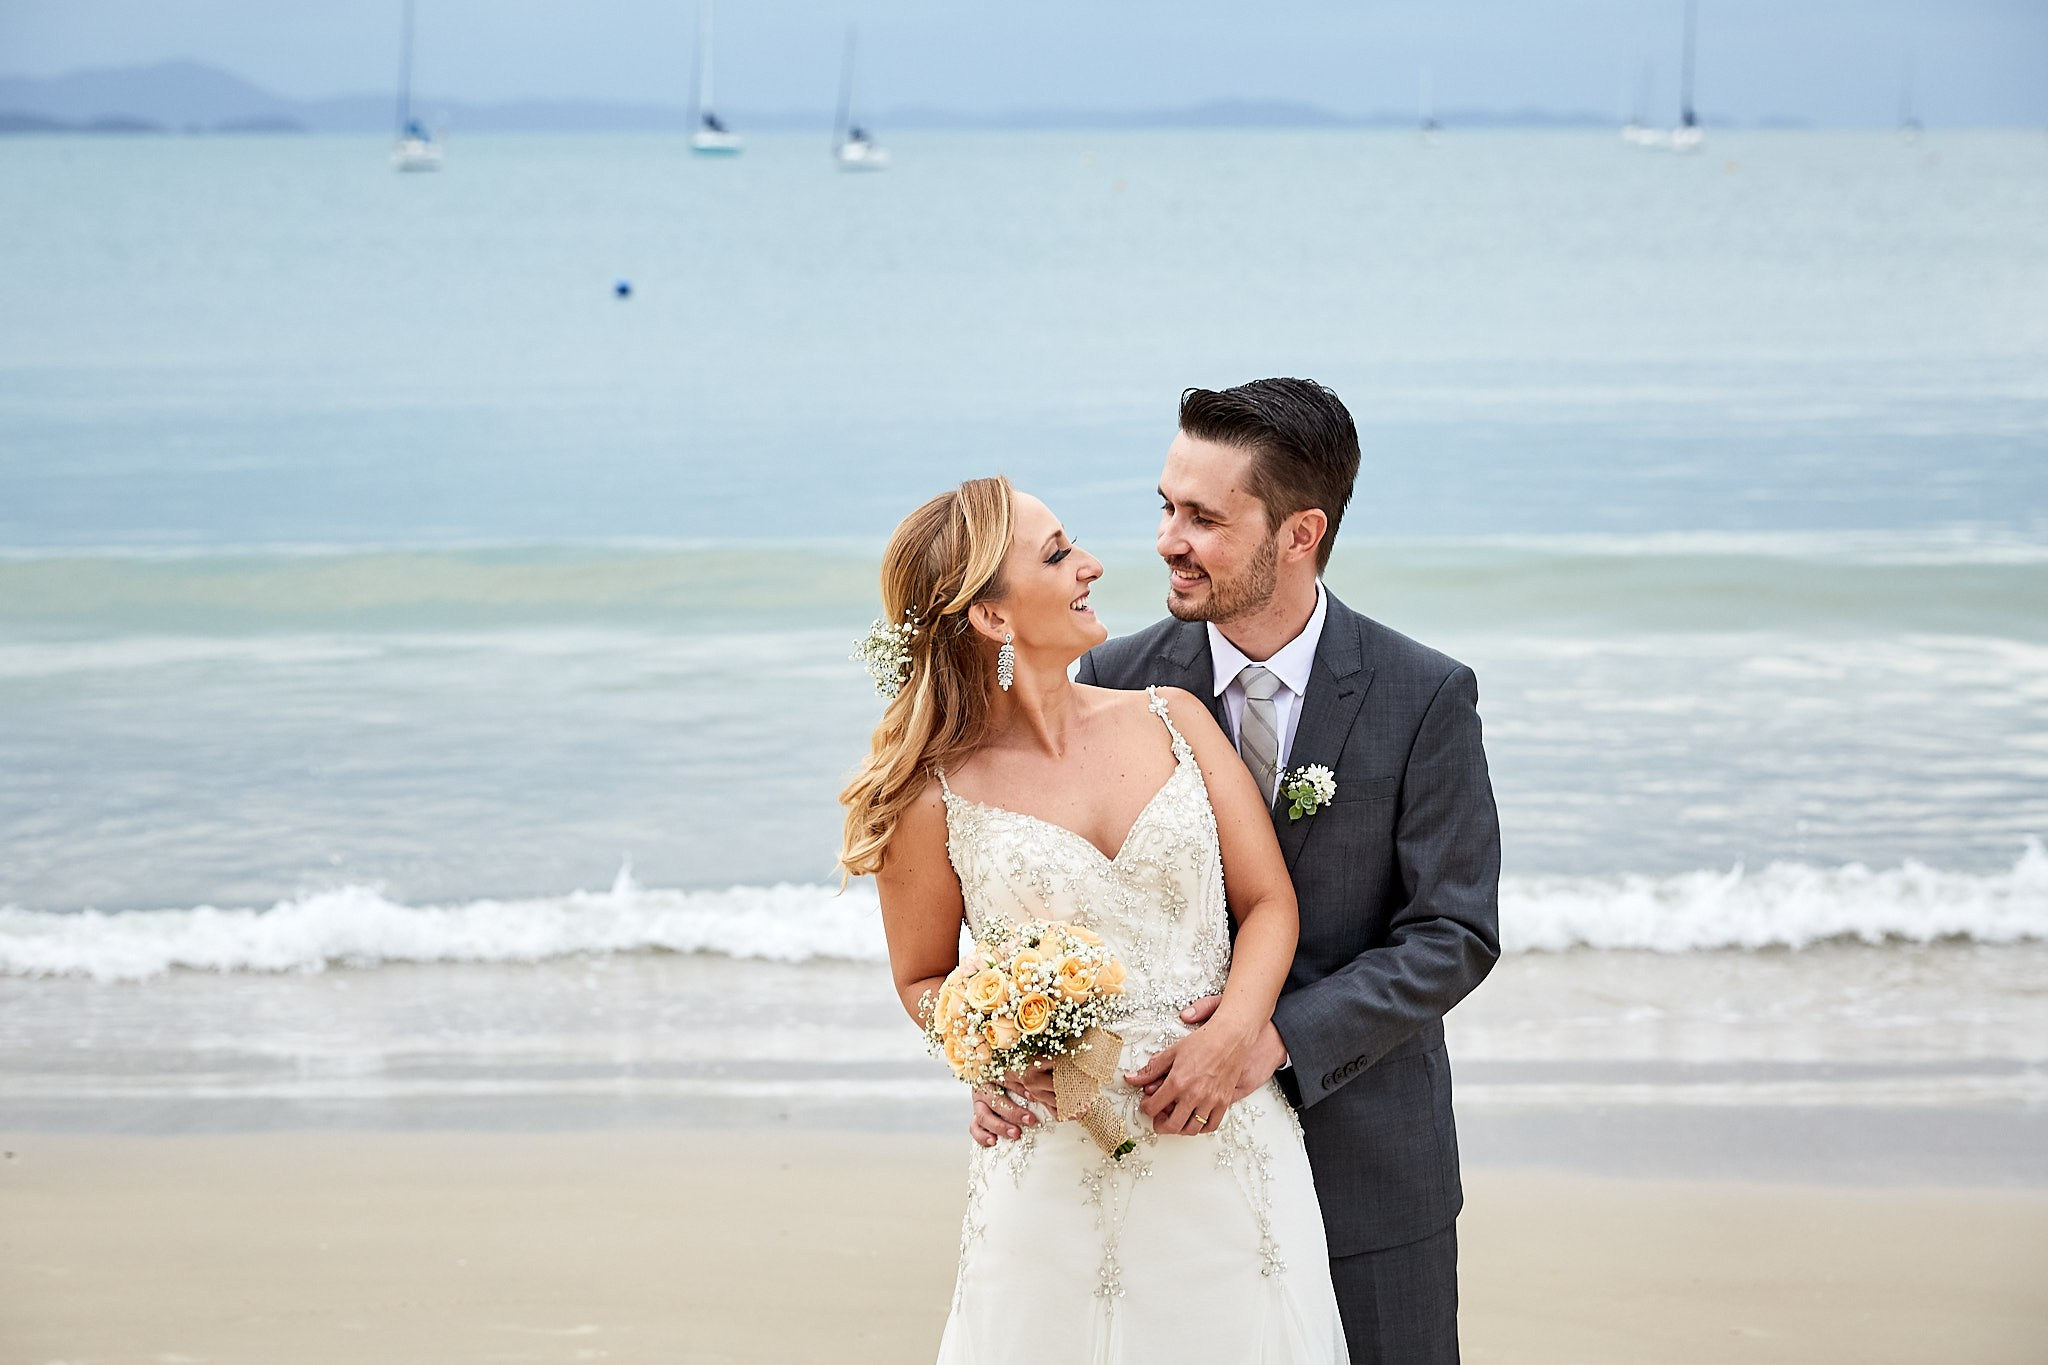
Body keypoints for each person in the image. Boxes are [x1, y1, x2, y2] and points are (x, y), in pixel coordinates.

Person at [973, 378, 1502, 1364]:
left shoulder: (1421, 695)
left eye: (1203, 518)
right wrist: (1007, 1046)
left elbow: (1452, 935)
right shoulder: (1114, 677)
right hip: (1162, 1162)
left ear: (1299, 534)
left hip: (1366, 1158)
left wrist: (1269, 1040)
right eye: (1165, 507)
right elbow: (1052, 910)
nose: (1168, 540)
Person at [840, 475, 1348, 1362]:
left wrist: (1236, 1030)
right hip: (1054, 1163)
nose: (1094, 565)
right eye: (1058, 554)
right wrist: (993, 1052)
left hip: (1229, 1144)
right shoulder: (932, 795)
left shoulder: (1174, 718)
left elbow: (1269, 903)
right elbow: (923, 978)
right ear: (993, 618)